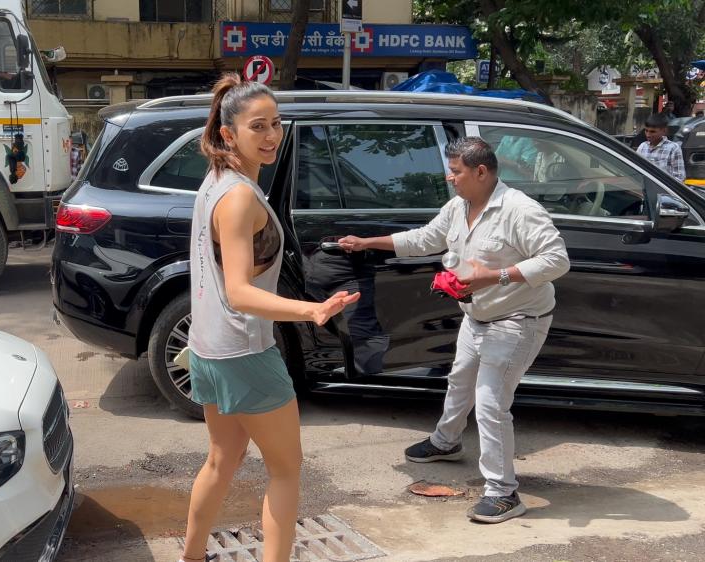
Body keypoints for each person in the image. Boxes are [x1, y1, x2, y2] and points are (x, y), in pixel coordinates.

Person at [338, 137, 570, 524]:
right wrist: (367, 243)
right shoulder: (459, 206)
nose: (450, 178)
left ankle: (503, 493)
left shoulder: (519, 210)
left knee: (492, 403)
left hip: (517, 321)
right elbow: (425, 239)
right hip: (477, 317)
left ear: (480, 172)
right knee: (460, 380)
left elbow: (557, 260)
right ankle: (446, 442)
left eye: (456, 171)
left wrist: (494, 276)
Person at [180, 74, 359, 562]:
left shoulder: (216, 183)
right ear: (227, 134)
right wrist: (313, 309)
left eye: (276, 124)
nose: (271, 136)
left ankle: (191, 556)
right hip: (243, 352)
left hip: (208, 349)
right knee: (285, 470)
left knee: (223, 460)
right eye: (257, 126)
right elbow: (238, 291)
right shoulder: (238, 197)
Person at [637, 113, 686, 182]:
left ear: (664, 131)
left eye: (652, 132)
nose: (648, 135)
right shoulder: (642, 146)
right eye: (646, 131)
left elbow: (679, 177)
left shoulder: (673, 148)